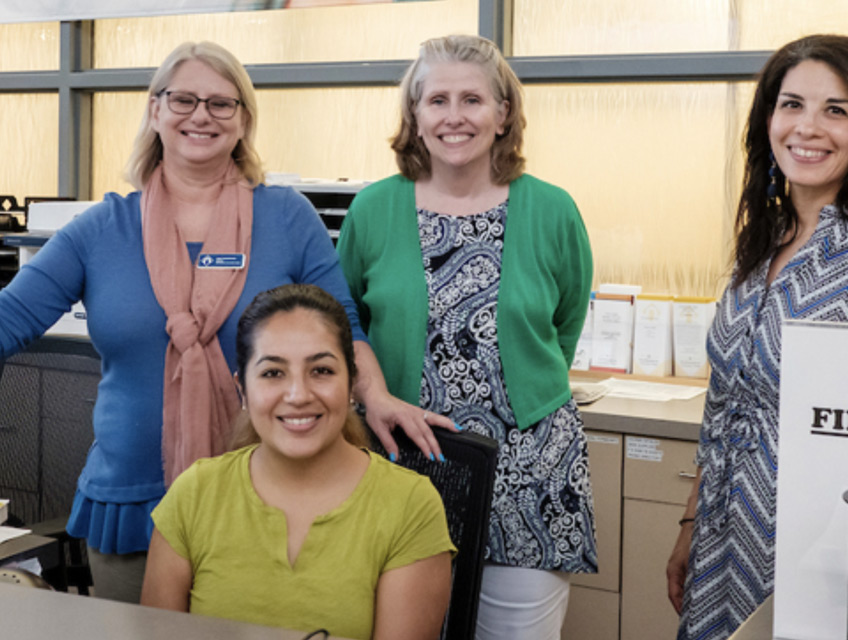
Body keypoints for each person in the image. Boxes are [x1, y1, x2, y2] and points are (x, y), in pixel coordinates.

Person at [0, 40, 419, 603]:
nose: (202, 115)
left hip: (270, 494)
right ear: (154, 110)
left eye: (222, 104)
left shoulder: (287, 217)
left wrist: (378, 394)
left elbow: (340, 327)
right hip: (134, 503)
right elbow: (11, 317)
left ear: (244, 120)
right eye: (183, 99)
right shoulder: (101, 229)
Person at [666, 34, 848, 640]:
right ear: (768, 120)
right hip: (725, 542)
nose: (808, 127)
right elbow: (724, 403)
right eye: (792, 104)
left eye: (837, 110)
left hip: (835, 557)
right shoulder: (765, 240)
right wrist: (689, 524)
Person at [337, 34, 597, 639]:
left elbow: (563, 328)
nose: (455, 117)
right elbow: (347, 327)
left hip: (531, 472)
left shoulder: (552, 210)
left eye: (473, 100)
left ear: (503, 113)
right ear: (415, 116)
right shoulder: (373, 211)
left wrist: (518, 399)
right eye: (437, 101)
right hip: (403, 467)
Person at [141, 283, 454, 638]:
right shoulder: (194, 494)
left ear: (352, 382)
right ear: (242, 389)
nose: (298, 395)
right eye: (273, 373)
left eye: (321, 370)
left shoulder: (410, 506)